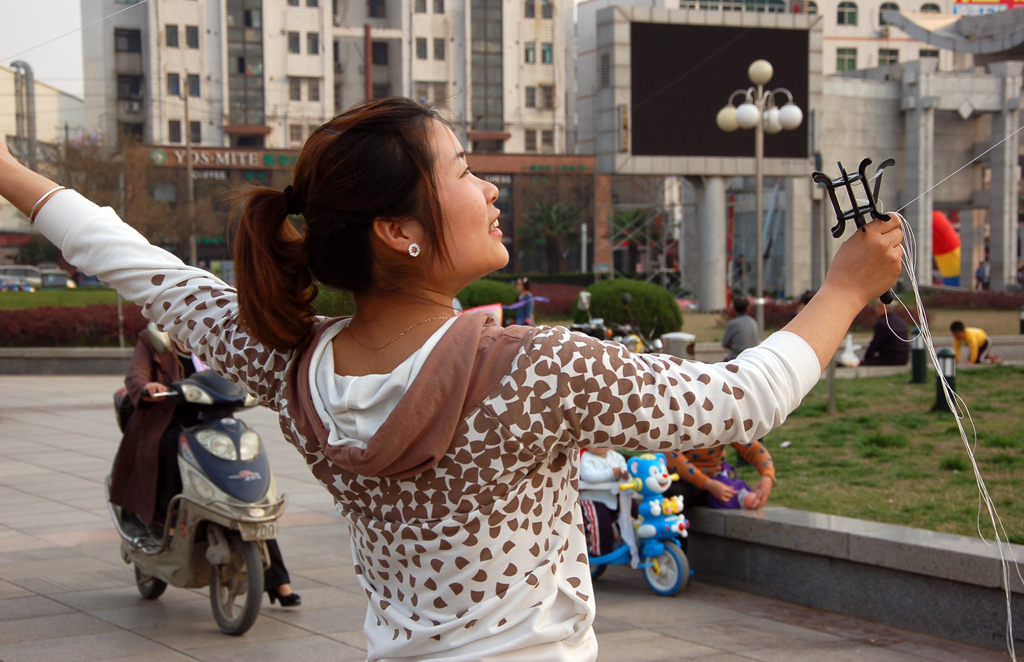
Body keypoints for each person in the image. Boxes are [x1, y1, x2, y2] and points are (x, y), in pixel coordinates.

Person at [1, 96, 903, 661]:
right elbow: (740, 398)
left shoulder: (292, 362)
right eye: (468, 171)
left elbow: (135, 265)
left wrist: (8, 171)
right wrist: (847, 285)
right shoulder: (536, 370)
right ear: (401, 230)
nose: (492, 187)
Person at [111, 325, 301, 607]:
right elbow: (135, 376)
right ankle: (168, 519)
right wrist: (147, 386)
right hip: (169, 420)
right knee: (171, 446)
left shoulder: (214, 338)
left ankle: (278, 580)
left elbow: (242, 367)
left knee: (245, 493)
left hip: (216, 422)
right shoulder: (152, 340)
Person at [666, 441, 775, 510]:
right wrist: (707, 483)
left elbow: (753, 448)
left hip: (716, 479)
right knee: (673, 497)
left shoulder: (725, 420)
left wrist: (767, 476)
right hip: (679, 479)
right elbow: (671, 455)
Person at [579, 447, 630, 557]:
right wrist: (611, 473)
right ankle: (599, 550)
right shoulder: (587, 458)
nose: (601, 444)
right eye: (596, 441)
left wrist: (625, 474)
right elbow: (588, 476)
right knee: (600, 522)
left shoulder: (615, 456)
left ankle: (627, 540)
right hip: (593, 497)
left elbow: (624, 467)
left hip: (613, 496)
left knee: (630, 511)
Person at [860, 300, 909, 366]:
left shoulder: (882, 323)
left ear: (886, 308)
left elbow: (875, 344)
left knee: (860, 364)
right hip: (903, 359)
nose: (875, 309)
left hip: (890, 359)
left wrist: (867, 358)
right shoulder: (900, 321)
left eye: (878, 307)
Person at [721, 296, 759, 360]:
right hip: (752, 358)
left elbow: (725, 343)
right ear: (748, 308)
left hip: (736, 358)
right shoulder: (753, 322)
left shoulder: (732, 324)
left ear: (734, 309)